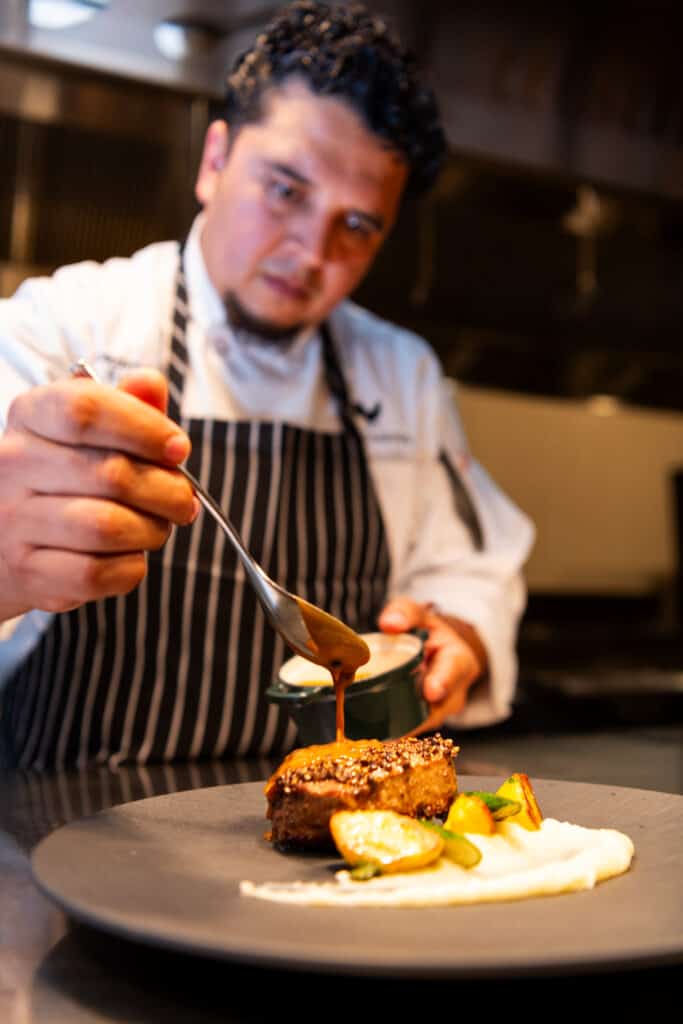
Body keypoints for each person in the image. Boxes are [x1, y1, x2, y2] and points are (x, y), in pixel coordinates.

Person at [0, 0, 534, 771]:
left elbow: (468, 565)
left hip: (320, 849)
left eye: (356, 226)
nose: (310, 252)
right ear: (214, 161)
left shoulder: (402, 375)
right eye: (285, 190)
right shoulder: (61, 328)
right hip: (67, 837)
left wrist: (460, 631)